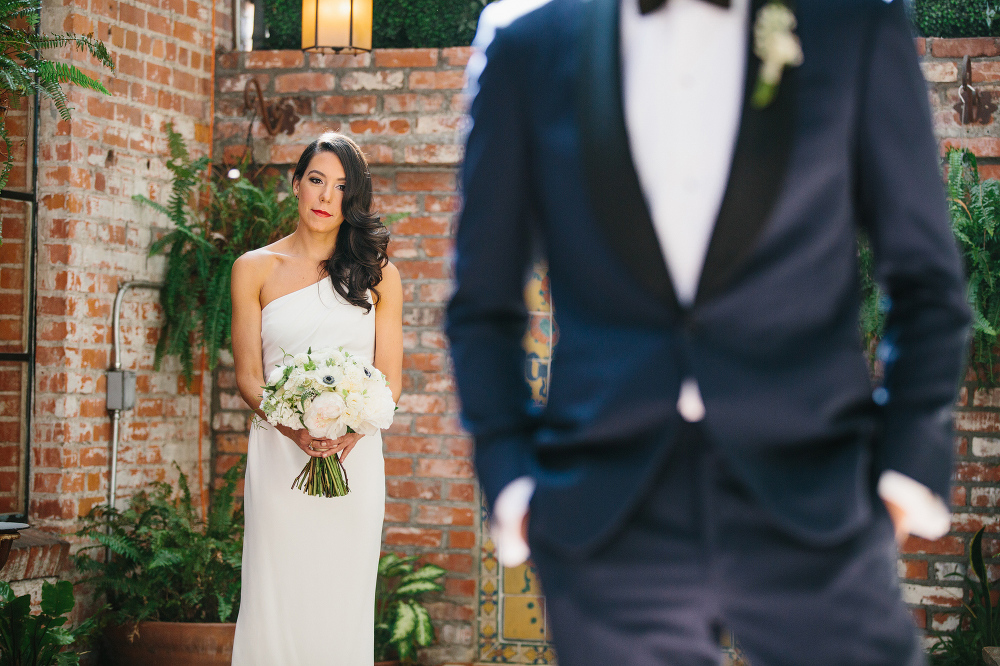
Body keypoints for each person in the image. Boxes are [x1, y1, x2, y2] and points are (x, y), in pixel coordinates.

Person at [446, 0, 972, 665]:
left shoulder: (853, 26)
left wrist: (903, 473)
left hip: (813, 497)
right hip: (606, 517)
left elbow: (926, 280)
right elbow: (482, 299)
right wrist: (513, 477)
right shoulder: (528, 43)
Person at [229, 132, 402, 665]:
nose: (326, 197)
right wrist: (292, 429)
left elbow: (390, 380)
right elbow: (249, 377)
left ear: (355, 199)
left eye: (342, 187)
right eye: (316, 180)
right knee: (276, 595)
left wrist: (352, 432)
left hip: (354, 463)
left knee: (340, 600)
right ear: (296, 185)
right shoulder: (253, 269)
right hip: (280, 457)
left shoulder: (379, 275)